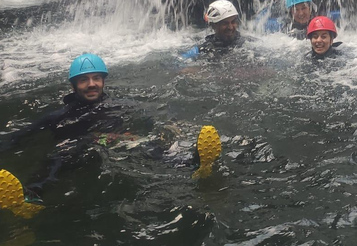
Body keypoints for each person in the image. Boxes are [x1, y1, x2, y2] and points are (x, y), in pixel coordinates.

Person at [0, 54, 222, 218]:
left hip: (116, 142)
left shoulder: (118, 105)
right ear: (74, 85)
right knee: (57, 160)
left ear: (104, 80)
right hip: (75, 146)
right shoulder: (60, 115)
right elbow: (23, 134)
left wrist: (169, 124)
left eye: (96, 78)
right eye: (84, 80)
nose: (91, 84)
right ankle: (30, 196)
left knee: (148, 145)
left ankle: (193, 163)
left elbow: (150, 113)